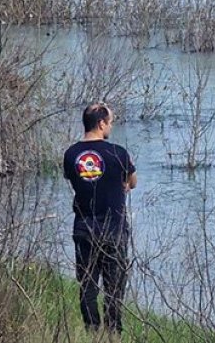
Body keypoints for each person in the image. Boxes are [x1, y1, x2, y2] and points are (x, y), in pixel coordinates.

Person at [63, 102, 137, 335]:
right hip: (113, 229)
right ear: (101, 123)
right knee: (114, 287)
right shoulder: (118, 153)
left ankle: (91, 332)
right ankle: (113, 333)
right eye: (111, 122)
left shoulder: (71, 154)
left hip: (84, 227)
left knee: (88, 285)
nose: (111, 126)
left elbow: (74, 180)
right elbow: (132, 182)